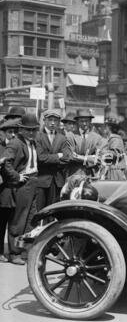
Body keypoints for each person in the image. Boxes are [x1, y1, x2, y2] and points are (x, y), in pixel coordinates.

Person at [3, 114, 41, 265]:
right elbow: (6, 163)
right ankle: (14, 253)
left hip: (33, 182)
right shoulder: (15, 143)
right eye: (28, 130)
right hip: (22, 185)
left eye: (34, 130)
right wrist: (17, 177)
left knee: (30, 220)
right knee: (18, 220)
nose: (31, 132)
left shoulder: (32, 142)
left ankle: (24, 250)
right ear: (21, 129)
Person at [35, 109, 72, 209]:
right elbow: (40, 158)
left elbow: (66, 158)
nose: (52, 123)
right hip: (42, 180)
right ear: (44, 120)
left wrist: (50, 158)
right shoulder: (38, 136)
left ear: (59, 122)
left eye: (55, 120)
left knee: (52, 210)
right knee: (39, 209)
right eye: (50, 119)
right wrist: (58, 156)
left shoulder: (62, 138)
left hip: (57, 180)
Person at [0, 118, 20, 263]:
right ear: (3, 133)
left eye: (14, 132)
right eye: (9, 132)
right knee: (1, 223)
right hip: (3, 191)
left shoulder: (16, 147)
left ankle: (13, 252)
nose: (12, 135)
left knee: (13, 222)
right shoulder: (1, 148)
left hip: (14, 190)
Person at [68, 109, 105, 178]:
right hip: (73, 174)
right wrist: (91, 157)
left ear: (90, 121)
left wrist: (79, 157)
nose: (84, 123)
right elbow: (70, 156)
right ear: (77, 122)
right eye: (82, 121)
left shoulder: (97, 138)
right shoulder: (70, 136)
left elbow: (100, 159)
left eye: (87, 121)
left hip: (91, 175)